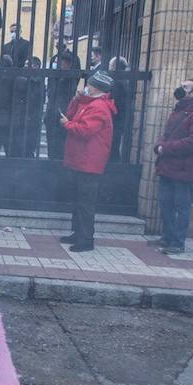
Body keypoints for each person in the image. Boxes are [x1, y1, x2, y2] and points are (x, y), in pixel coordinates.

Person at [152, 80, 193, 255]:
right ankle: (167, 237)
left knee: (180, 206)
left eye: (185, 87)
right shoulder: (179, 111)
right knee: (166, 204)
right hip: (169, 167)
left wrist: (166, 148)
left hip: (185, 169)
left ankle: (178, 242)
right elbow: (168, 134)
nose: (180, 88)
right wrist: (160, 145)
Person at [59, 70, 116, 252]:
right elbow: (72, 113)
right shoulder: (89, 103)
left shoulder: (98, 107)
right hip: (81, 160)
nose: (85, 87)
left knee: (85, 203)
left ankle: (86, 239)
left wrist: (67, 124)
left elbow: (85, 131)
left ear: (95, 87)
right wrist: (76, 99)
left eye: (88, 84)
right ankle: (77, 233)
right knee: (78, 200)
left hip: (89, 163)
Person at [45, 50, 81, 160]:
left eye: (59, 62)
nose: (56, 64)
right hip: (51, 114)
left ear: (67, 64)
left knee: (59, 146)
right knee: (51, 144)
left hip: (62, 115)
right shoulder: (55, 76)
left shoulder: (70, 79)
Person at [108, 56, 131, 162]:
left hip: (115, 120)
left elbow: (114, 102)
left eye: (110, 65)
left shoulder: (117, 83)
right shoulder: (124, 81)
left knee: (112, 146)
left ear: (113, 67)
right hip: (120, 119)